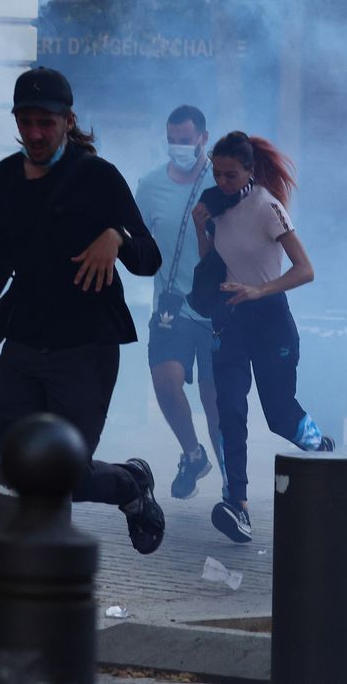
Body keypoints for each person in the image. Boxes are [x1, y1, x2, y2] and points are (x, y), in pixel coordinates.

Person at [0, 67, 167, 555]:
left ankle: (130, 486)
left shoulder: (96, 176)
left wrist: (116, 238)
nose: (35, 134)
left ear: (67, 120)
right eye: (26, 122)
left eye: (45, 122)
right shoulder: (4, 177)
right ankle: (31, 573)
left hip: (85, 347)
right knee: (19, 466)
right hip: (23, 342)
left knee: (64, 473)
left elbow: (150, 255)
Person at [191, 130, 333, 545]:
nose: (222, 182)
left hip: (270, 319)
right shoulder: (214, 204)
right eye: (216, 173)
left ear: (249, 171)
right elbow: (212, 262)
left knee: (279, 414)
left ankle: (321, 447)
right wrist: (203, 229)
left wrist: (259, 290)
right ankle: (238, 505)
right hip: (229, 319)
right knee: (230, 411)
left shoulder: (267, 206)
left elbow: (305, 270)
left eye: (231, 175)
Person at [134, 105, 227, 501]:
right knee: (165, 382)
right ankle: (192, 454)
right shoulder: (150, 184)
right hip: (172, 305)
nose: (178, 147)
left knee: (216, 401)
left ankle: (230, 480)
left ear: (203, 138)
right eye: (172, 139)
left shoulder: (222, 181)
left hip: (218, 307)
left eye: (185, 140)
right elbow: (134, 238)